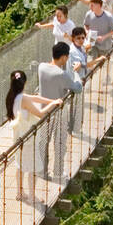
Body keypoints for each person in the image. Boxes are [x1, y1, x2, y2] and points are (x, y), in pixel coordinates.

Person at [6, 71, 61, 203]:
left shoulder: (12, 96)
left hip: (18, 136)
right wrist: (53, 104)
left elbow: (35, 99)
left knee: (20, 165)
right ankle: (31, 197)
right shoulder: (23, 99)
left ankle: (20, 193)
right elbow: (40, 113)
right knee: (32, 167)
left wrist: (52, 100)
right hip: (28, 138)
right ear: (24, 83)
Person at [37, 42, 82, 181]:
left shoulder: (41, 67)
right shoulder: (62, 74)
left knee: (43, 142)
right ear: (63, 57)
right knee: (60, 143)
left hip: (43, 111)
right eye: (67, 57)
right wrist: (76, 73)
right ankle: (57, 172)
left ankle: (41, 171)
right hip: (59, 112)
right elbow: (77, 88)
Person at [82, 0, 113, 66]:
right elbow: (86, 25)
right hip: (92, 42)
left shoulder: (109, 17)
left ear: (99, 6)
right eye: (90, 5)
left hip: (105, 45)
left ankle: (106, 75)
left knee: (103, 64)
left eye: (92, 5)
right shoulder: (89, 14)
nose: (90, 7)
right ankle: (89, 75)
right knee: (90, 61)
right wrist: (87, 32)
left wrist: (104, 37)